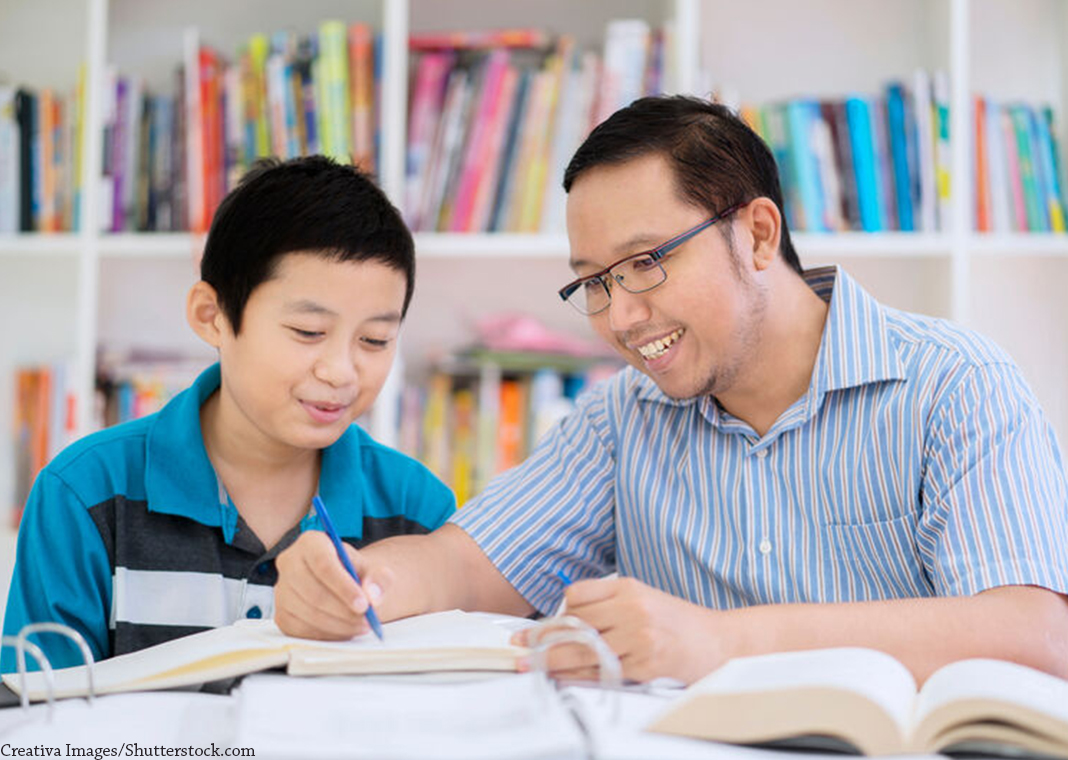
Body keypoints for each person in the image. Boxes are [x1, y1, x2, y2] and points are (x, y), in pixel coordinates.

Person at [273, 97, 1068, 685]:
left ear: (758, 233)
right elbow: (465, 562)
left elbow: (1036, 633)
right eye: (593, 283)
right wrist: (359, 583)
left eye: (646, 262)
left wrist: (722, 643)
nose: (621, 315)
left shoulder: (956, 384)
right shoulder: (622, 419)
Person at [2, 156, 454, 671]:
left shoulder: (418, 512)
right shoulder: (85, 494)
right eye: (308, 332)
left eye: (374, 340)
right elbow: (37, 722)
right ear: (212, 317)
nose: (341, 371)